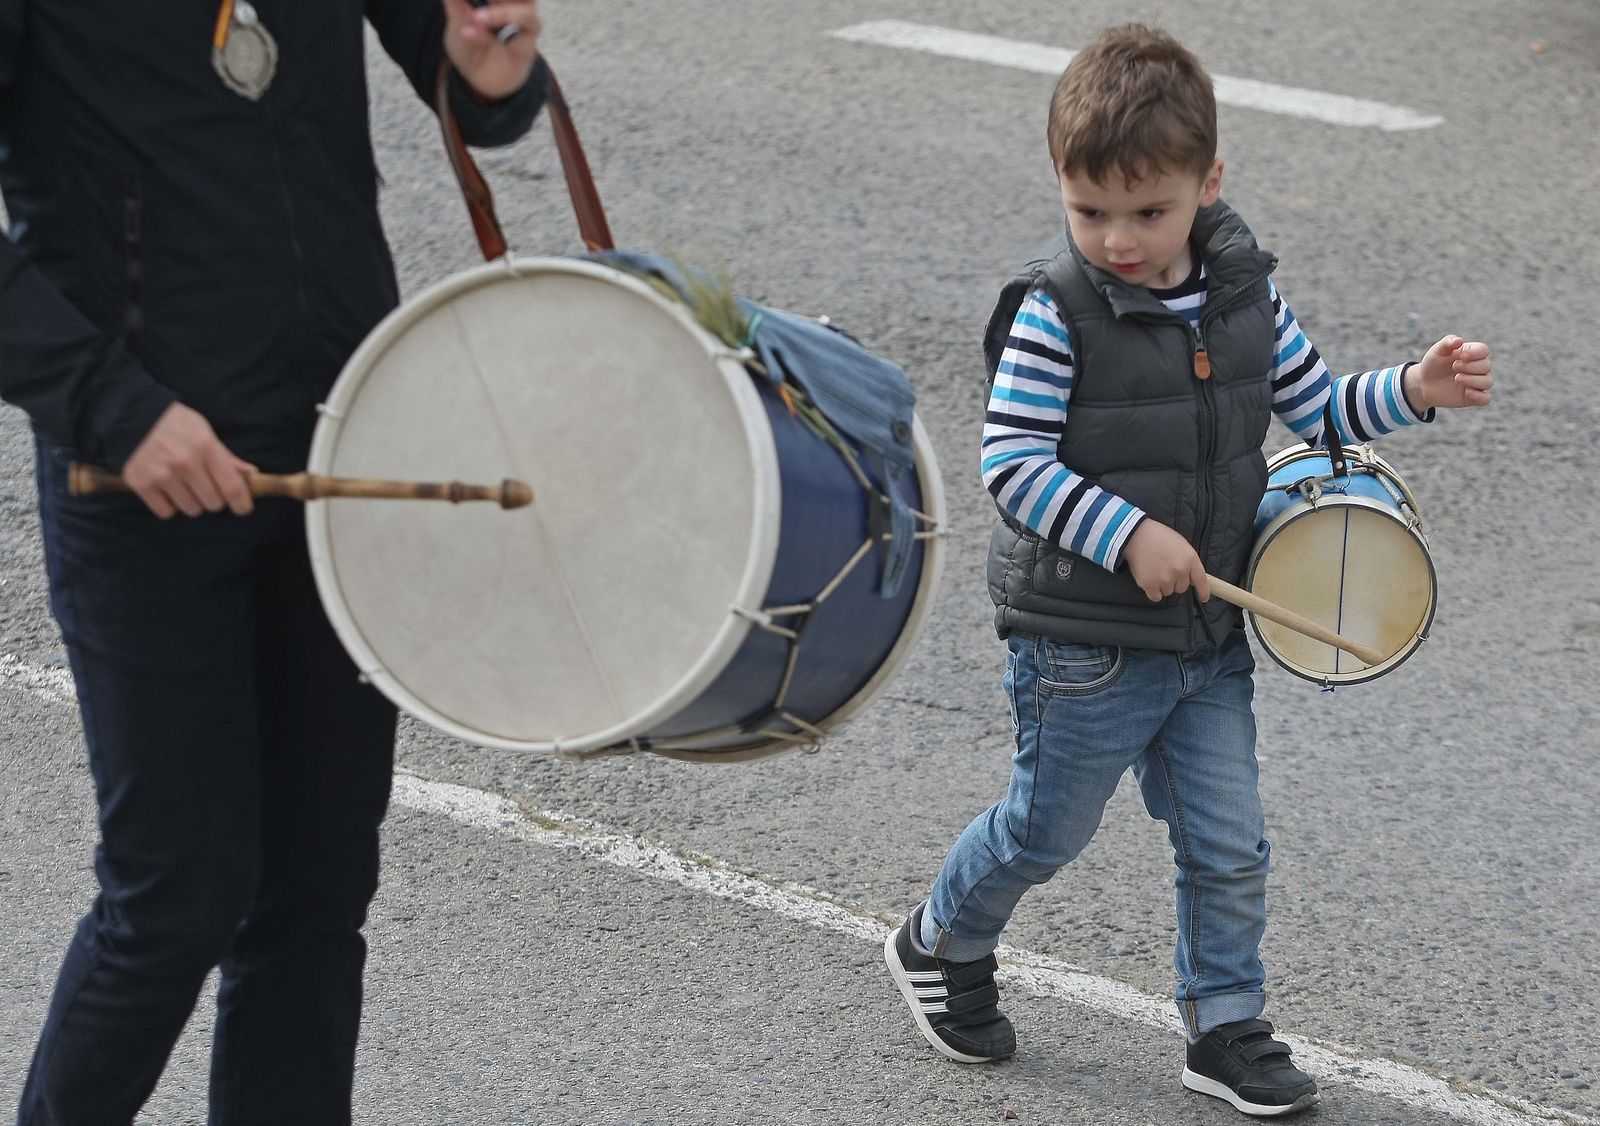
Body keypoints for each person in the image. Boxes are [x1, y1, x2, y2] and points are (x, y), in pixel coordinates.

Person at [883, 24, 1493, 1118]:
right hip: (1083, 642)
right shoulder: (1053, 311)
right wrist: (1126, 533)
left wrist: (1412, 388)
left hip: (1205, 638)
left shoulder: (1246, 297)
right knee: (1043, 832)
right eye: (1089, 211)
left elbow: (1314, 408)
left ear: (1208, 184)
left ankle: (1225, 1026)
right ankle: (939, 939)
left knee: (1228, 844)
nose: (1116, 239)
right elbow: (1010, 463)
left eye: (1147, 212)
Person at [0, 2, 548, 1122]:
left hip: (341, 448)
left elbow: (454, 58)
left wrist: (489, 73)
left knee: (316, 893)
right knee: (175, 897)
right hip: (142, 475)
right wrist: (111, 407)